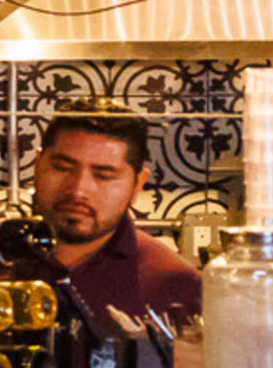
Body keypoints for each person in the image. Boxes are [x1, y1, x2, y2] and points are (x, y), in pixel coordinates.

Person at [28, 111, 203, 324]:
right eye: (63, 168)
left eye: (104, 176)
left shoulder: (175, 284)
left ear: (137, 184)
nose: (78, 190)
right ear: (37, 165)